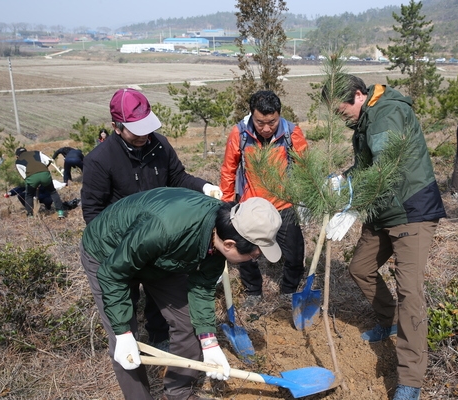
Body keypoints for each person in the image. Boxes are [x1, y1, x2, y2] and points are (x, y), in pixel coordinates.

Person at [80, 188, 283, 400]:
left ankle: (178, 393)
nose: (254, 258)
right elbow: (113, 272)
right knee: (127, 345)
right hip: (108, 253)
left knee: (188, 323)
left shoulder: (220, 235)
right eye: (252, 255)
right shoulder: (166, 229)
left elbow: (202, 287)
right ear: (230, 244)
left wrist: (209, 341)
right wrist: (122, 333)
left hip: (161, 258)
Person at [322, 74, 446, 400]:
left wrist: (353, 203)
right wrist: (341, 182)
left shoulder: (385, 113)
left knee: (410, 294)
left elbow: (385, 164)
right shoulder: (365, 120)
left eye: (341, 110)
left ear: (359, 96)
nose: (339, 117)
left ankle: (410, 381)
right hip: (384, 209)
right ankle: (387, 320)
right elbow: (365, 165)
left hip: (411, 209)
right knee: (360, 268)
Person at [81, 87, 222, 350]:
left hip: (162, 241)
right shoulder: (100, 161)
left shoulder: (159, 145)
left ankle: (160, 339)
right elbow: (93, 212)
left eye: (147, 127)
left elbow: (178, 178)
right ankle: (130, 341)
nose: (144, 135)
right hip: (122, 245)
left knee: (165, 295)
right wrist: (118, 248)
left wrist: (204, 188)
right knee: (126, 297)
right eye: (136, 130)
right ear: (116, 127)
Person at [220, 90, 308, 307]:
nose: (267, 128)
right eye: (260, 123)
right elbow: (229, 170)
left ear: (279, 115)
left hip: (283, 204)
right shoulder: (239, 134)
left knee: (295, 254)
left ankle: (288, 290)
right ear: (252, 115)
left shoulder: (291, 133)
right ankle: (253, 291)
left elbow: (304, 168)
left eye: (272, 122)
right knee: (245, 252)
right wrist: (228, 202)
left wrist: (307, 197)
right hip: (252, 206)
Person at [15, 147, 66, 219]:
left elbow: (24, 176)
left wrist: (33, 182)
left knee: (29, 195)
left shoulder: (18, 161)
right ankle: (60, 212)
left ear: (17, 156)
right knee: (53, 192)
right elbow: (49, 161)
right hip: (45, 174)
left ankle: (30, 215)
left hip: (32, 178)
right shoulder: (37, 152)